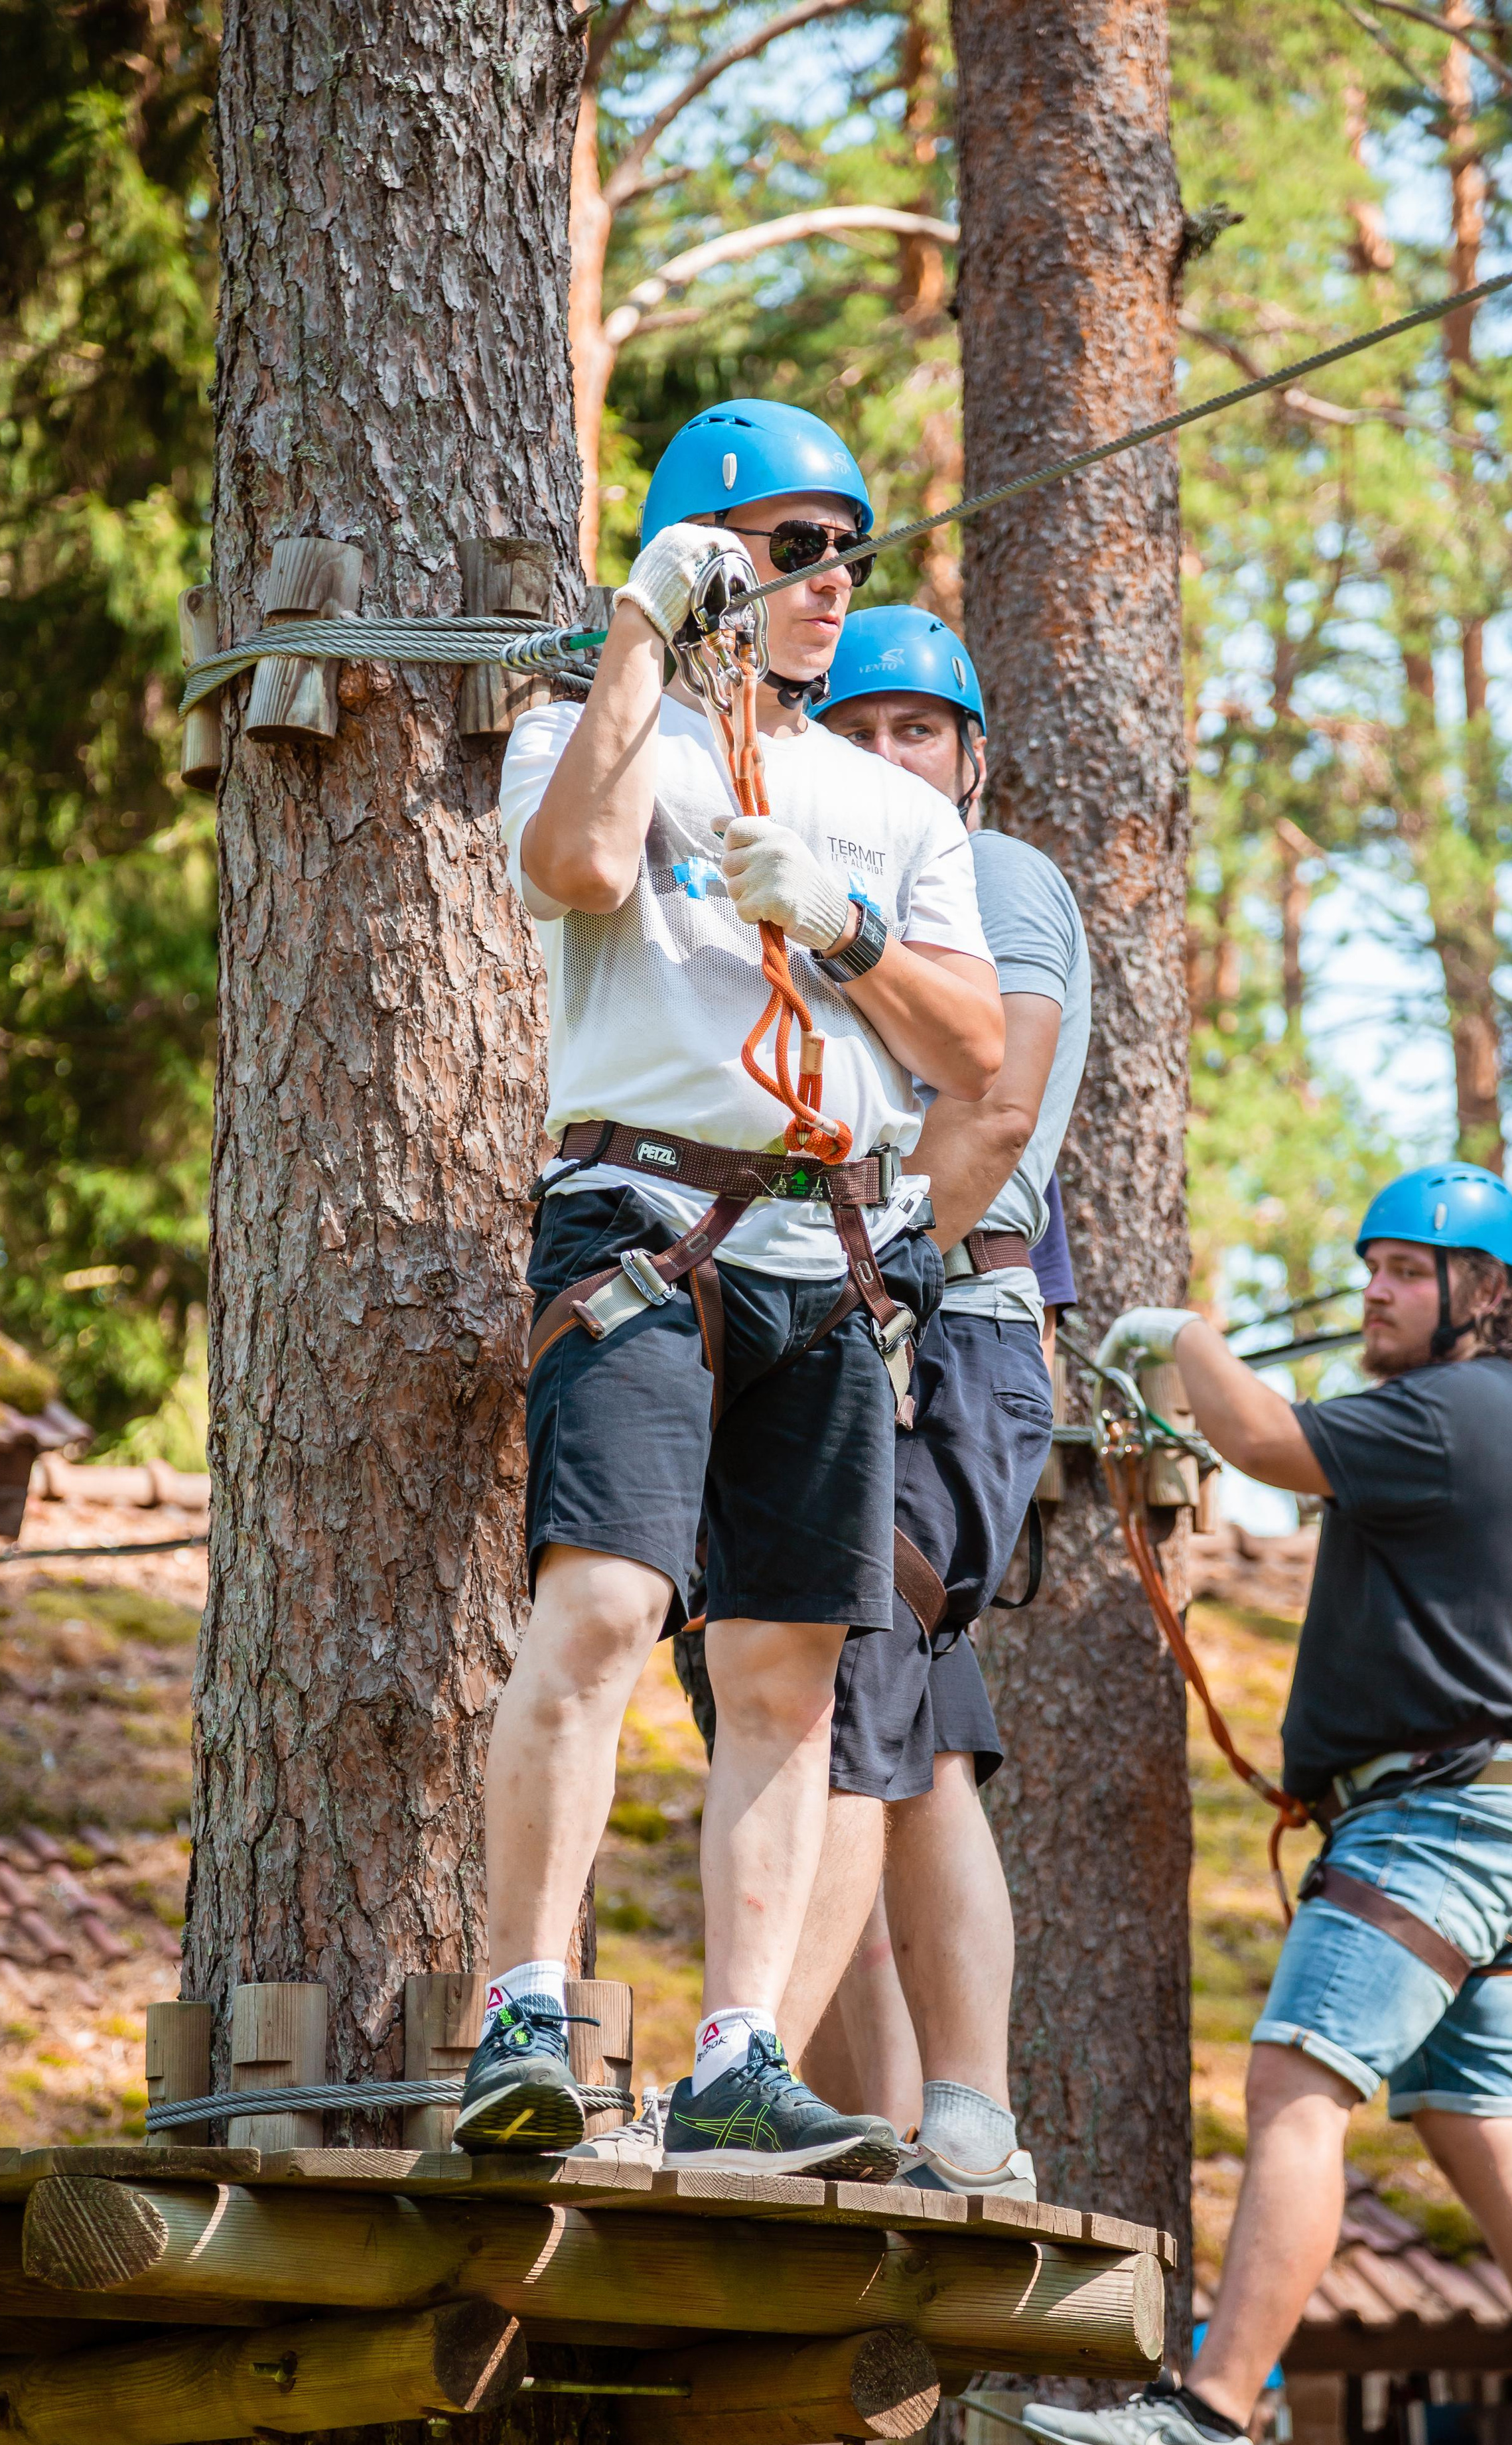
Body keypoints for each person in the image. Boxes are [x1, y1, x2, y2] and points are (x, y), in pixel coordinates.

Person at [454, 404, 1003, 2174]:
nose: (830, 581)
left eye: (847, 548)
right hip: (644, 1220)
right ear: (706, 555)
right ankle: (522, 2010)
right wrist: (635, 636)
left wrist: (842, 927)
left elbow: (979, 1051)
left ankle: (740, 2053)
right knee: (607, 1607)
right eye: (788, 547)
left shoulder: (890, 809)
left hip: (829, 1254)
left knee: (785, 1675)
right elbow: (579, 872)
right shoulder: (586, 728)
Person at [1021, 1164, 1512, 2445]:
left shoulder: (1454, 1409)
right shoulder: (1474, 1413)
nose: (1372, 1288)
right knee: (1483, 2141)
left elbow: (1258, 1440)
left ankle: (1211, 2418)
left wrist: (1175, 1335)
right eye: (1368, 1266)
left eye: (1406, 1271)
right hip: (1483, 1821)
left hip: (1440, 1824)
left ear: (1481, 1295)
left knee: (1297, 2077)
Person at [768, 605, 1091, 2194]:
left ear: (970, 758)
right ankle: (918, 2131)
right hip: (853, 1314)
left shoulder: (993, 880)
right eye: (858, 728)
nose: (887, 756)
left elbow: (996, 1093)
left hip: (939, 1319)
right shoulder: (843, 896)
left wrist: (882, 1278)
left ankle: (758, 2070)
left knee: (837, 1682)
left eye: (918, 731)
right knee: (909, 1739)